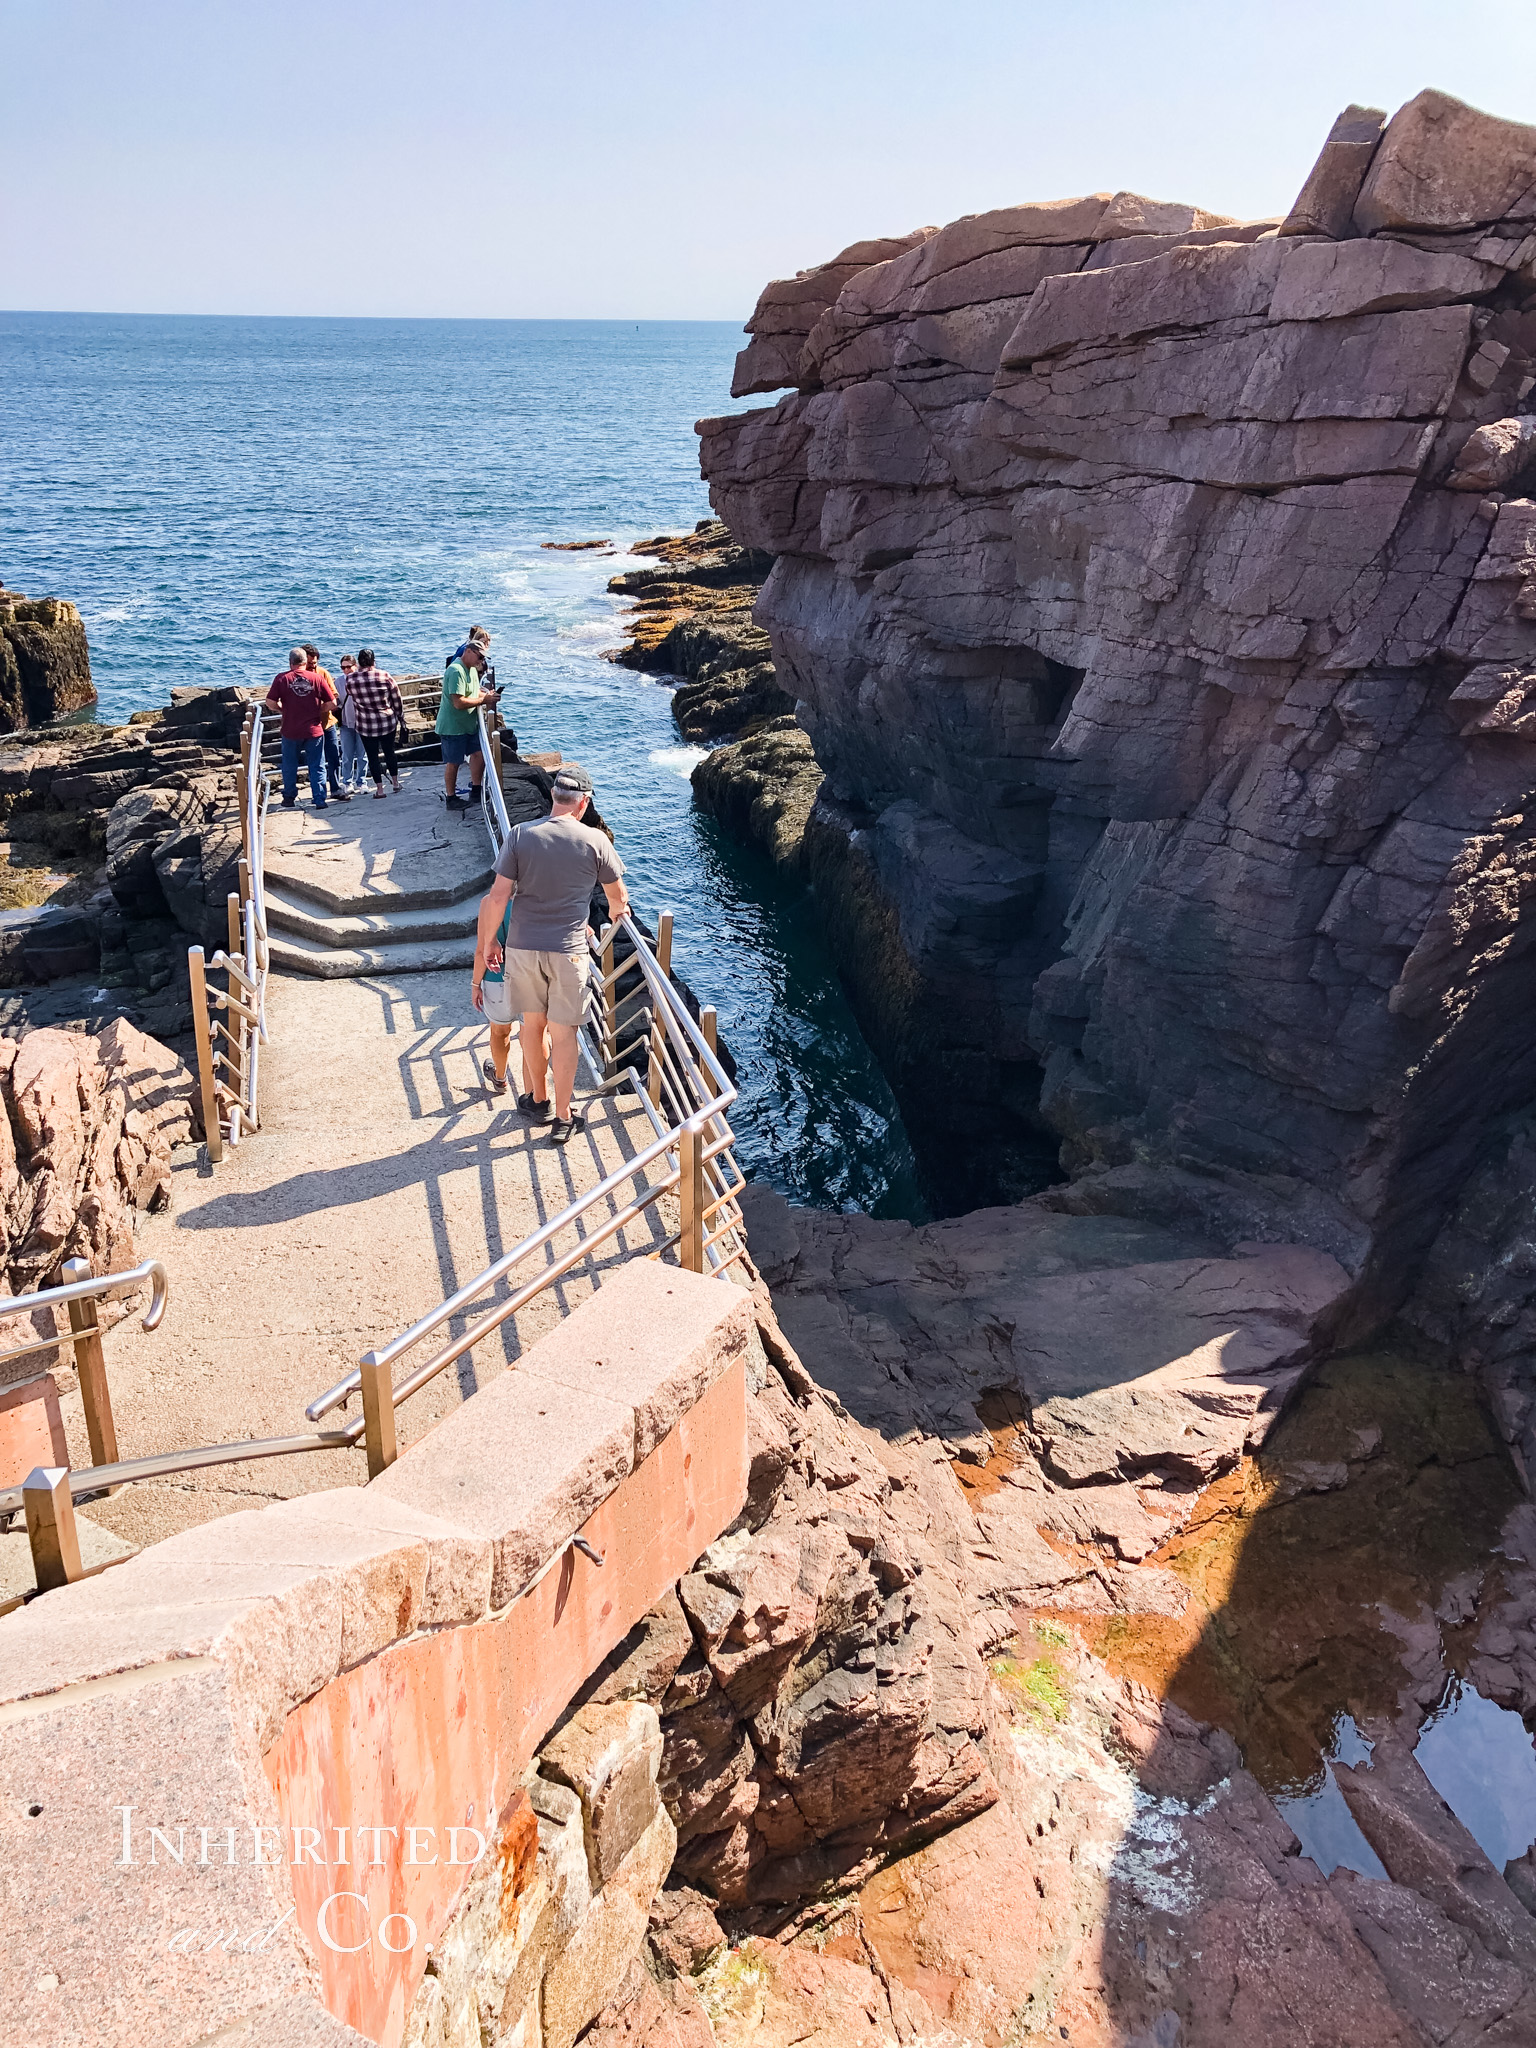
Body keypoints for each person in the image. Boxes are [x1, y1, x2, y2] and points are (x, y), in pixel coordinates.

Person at [472, 764, 627, 1143]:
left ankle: (537, 1100)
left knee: (532, 1027)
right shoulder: (596, 842)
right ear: (583, 802)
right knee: (564, 1035)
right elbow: (618, 902)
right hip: (570, 951)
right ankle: (562, 1116)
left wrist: (491, 942)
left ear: (554, 798)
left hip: (522, 949)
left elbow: (497, 896)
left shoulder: (520, 835)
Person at [266, 648, 336, 808]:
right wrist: (319, 710)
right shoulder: (317, 678)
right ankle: (319, 799)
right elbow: (333, 703)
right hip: (314, 730)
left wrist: (281, 709)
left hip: (290, 730)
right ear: (305, 662)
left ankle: (289, 797)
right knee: (317, 765)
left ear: (290, 662)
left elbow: (269, 702)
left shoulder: (282, 678)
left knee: (289, 765)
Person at [437, 640, 501, 810]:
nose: (481, 661)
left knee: (478, 754)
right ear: (469, 651)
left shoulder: (472, 669)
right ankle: (451, 798)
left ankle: (476, 788)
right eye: (479, 657)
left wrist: (486, 694)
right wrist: (484, 700)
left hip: (468, 724)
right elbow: (458, 702)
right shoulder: (456, 671)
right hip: (453, 726)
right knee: (454, 762)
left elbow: (473, 691)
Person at [347, 651, 406, 797]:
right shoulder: (384, 676)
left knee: (372, 756)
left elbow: (350, 694)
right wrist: (401, 717)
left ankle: (379, 790)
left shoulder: (351, 679)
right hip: (387, 722)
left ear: (358, 663)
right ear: (374, 661)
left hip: (365, 724)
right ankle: (396, 783)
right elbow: (397, 700)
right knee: (389, 752)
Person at [303, 643, 350, 803]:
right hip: (309, 726)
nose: (313, 667)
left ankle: (336, 788)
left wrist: (320, 708)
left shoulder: (323, 673)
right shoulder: (299, 677)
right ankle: (319, 792)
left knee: (334, 757)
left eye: (315, 663)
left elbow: (335, 696)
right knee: (316, 761)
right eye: (310, 664)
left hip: (328, 723)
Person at [334, 654, 369, 793]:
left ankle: (362, 781)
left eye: (349, 667)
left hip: (362, 722)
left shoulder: (363, 679)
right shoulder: (338, 682)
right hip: (345, 722)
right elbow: (336, 702)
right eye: (343, 667)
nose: (346, 670)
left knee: (362, 754)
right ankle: (347, 781)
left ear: (356, 666)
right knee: (347, 755)